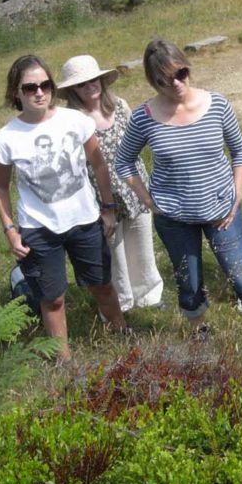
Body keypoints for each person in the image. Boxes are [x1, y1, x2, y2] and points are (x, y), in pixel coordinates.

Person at [114, 40, 242, 356]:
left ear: (188, 68)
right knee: (189, 282)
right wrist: (148, 200)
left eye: (180, 73)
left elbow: (240, 152)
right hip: (174, 218)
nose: (175, 84)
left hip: (221, 212)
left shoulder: (216, 104)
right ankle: (200, 338)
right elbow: (123, 161)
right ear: (153, 82)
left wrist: (237, 193)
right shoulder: (143, 117)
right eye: (164, 80)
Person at [0, 55, 126, 362]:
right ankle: (64, 362)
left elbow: (99, 165)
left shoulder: (76, 121)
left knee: (102, 284)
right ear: (16, 92)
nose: (39, 92)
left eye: (45, 85)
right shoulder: (6, 139)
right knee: (52, 299)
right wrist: (11, 230)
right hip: (39, 229)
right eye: (30, 87)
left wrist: (108, 208)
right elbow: (0, 188)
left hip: (85, 221)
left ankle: (122, 339)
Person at [57, 55, 165, 312]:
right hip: (100, 194)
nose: (89, 87)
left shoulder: (119, 105)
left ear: (102, 81)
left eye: (93, 80)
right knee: (114, 252)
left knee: (142, 243)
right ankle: (123, 301)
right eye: (82, 84)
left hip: (134, 186)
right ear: (73, 90)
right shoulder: (71, 120)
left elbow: (139, 141)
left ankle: (149, 296)